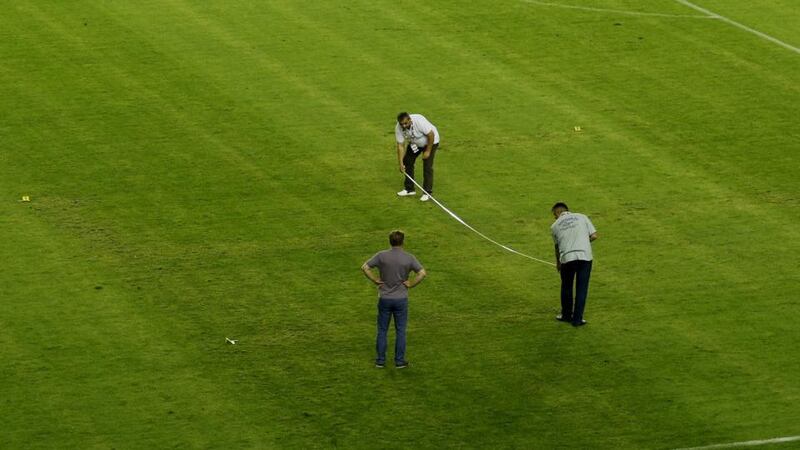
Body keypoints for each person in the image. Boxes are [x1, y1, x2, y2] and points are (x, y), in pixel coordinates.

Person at [361, 230, 427, 368]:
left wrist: (374, 280)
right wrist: (412, 284)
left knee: (382, 330)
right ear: (403, 241)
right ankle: (399, 361)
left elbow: (365, 267)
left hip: (384, 298)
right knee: (400, 330)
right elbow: (422, 273)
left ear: (390, 241)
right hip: (401, 299)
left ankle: (380, 361)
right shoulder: (409, 258)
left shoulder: (381, 256)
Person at [551, 202, 598, 327]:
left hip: (567, 258)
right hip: (585, 256)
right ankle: (577, 320)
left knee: (566, 287)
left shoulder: (554, 226)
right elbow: (594, 236)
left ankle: (566, 315)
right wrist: (583, 242)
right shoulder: (582, 217)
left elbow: (557, 247)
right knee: (581, 288)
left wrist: (558, 263)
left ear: (557, 212)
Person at [394, 112, 440, 202]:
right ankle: (409, 189)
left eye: (405, 123)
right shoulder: (398, 127)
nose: (403, 126)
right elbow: (400, 145)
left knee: (427, 166)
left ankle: (427, 192)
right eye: (401, 124)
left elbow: (431, 135)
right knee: (407, 161)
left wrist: (427, 151)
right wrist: (401, 164)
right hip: (415, 143)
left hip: (431, 142)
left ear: (410, 120)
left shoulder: (419, 121)